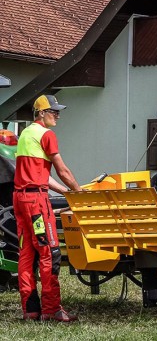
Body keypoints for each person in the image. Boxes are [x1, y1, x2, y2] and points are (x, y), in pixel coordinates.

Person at [13, 94, 83, 322]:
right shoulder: (46, 134)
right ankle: (52, 309)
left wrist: (66, 192)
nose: (58, 115)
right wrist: (79, 193)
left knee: (26, 254)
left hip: (20, 198)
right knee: (50, 253)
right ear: (41, 113)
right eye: (54, 111)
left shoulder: (25, 133)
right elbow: (62, 170)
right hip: (36, 201)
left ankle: (31, 310)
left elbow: (40, 175)